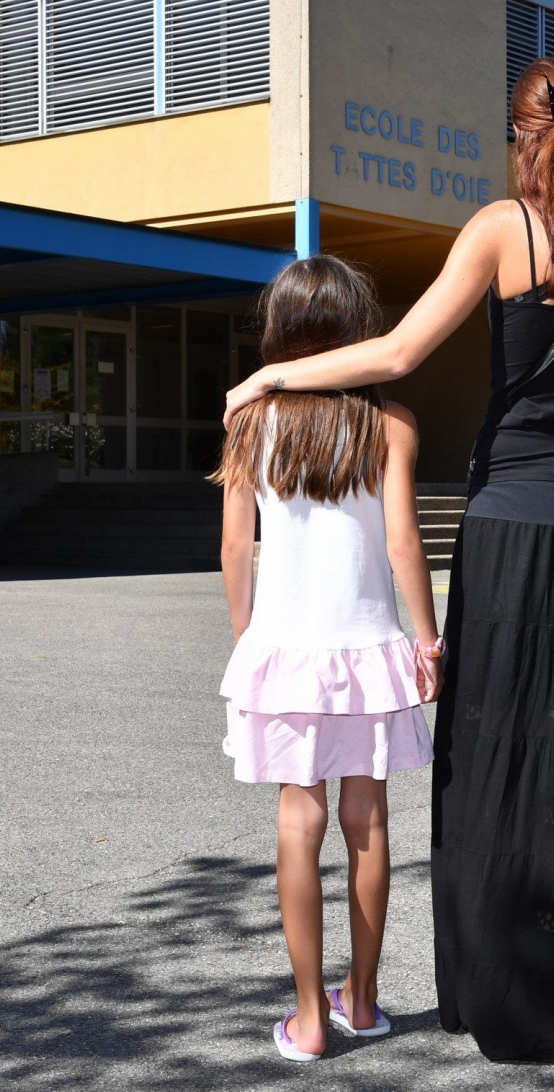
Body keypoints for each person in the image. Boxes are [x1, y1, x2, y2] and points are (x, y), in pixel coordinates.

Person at [224, 56, 554, 1069]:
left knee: (501, 753)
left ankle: (505, 988)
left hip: (511, 521)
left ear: (524, 137)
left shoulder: (499, 231)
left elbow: (393, 356)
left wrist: (274, 370)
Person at [212, 255, 445, 1063]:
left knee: (297, 819)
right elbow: (402, 540)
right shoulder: (392, 423)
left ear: (279, 333)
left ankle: (309, 1018)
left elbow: (236, 546)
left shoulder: (249, 423)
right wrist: (428, 638)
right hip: (370, 649)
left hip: (285, 649)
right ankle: (366, 999)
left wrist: (250, 636)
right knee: (368, 820)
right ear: (359, 331)